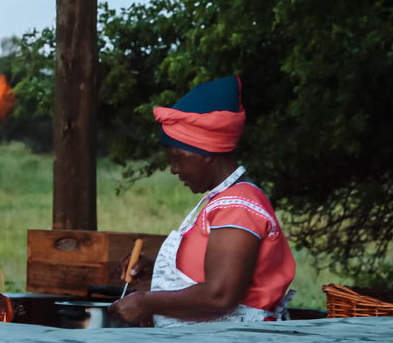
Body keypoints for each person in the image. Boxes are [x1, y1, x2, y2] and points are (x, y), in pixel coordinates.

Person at [110, 75, 296, 326]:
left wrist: (146, 301)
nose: (174, 170)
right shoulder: (223, 201)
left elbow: (221, 295)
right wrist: (156, 275)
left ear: (206, 153)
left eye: (177, 158)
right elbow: (210, 276)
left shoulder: (238, 207)